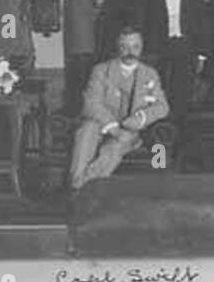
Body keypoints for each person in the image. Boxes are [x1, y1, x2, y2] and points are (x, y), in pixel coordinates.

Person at [69, 26, 170, 190]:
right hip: (101, 124)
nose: (130, 52)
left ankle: (79, 188)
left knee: (114, 148)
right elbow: (91, 103)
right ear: (118, 47)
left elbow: (162, 107)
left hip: (131, 131)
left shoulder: (150, 74)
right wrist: (114, 129)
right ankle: (79, 185)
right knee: (86, 130)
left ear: (141, 47)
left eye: (135, 47)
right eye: (125, 47)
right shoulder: (101, 70)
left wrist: (141, 118)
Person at [142, 0, 201, 123]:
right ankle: (158, 133)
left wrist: (201, 55)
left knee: (183, 96)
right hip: (158, 48)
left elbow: (200, 23)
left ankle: (180, 137)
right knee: (156, 94)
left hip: (185, 47)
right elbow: (142, 20)